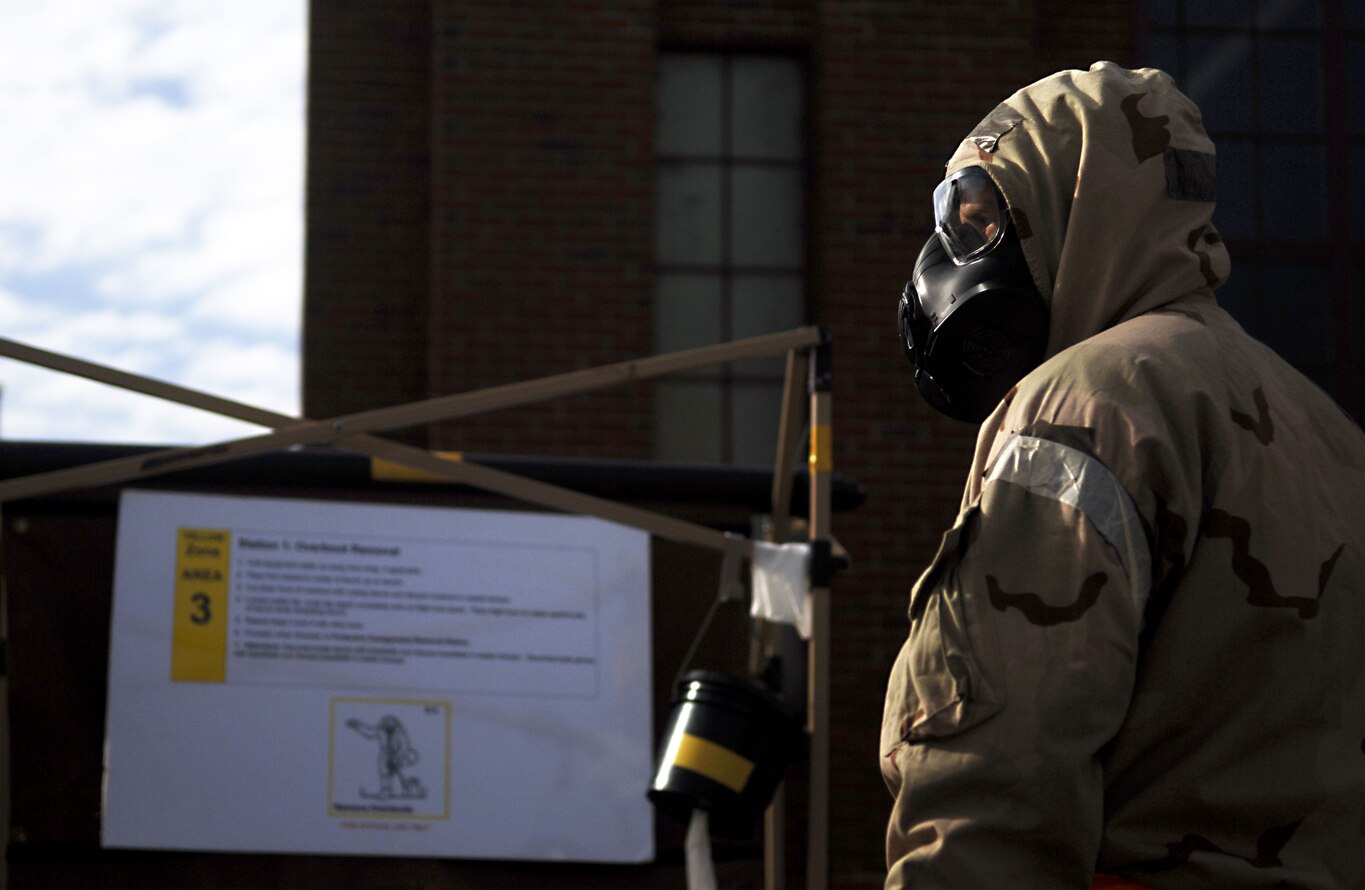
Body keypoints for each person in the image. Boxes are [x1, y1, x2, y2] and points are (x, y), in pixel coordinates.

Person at [882, 61, 1365, 888]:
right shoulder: (1327, 430)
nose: (950, 257)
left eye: (980, 218)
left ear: (1073, 205)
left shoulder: (1085, 402)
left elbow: (992, 775)